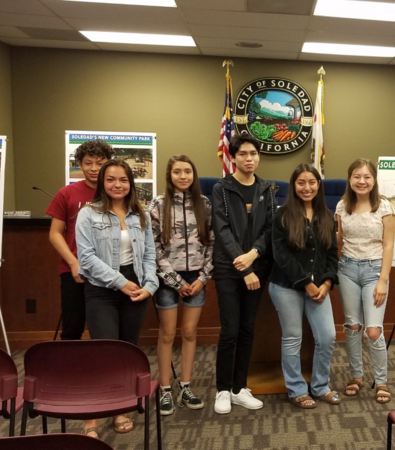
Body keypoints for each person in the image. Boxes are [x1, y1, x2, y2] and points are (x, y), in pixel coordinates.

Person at [75, 159, 158, 437]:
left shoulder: (140, 214)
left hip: (136, 288)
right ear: (102, 183)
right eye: (111, 179)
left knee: (126, 352)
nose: (117, 185)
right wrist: (121, 282)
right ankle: (93, 417)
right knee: (104, 352)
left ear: (130, 183)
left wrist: (150, 286)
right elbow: (85, 258)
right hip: (102, 289)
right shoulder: (89, 213)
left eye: (123, 179)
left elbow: (149, 256)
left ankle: (119, 409)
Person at [212, 134, 275, 415]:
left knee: (248, 329)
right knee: (230, 330)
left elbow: (270, 229)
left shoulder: (266, 189)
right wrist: (245, 264)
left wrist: (254, 255)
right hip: (228, 269)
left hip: (256, 267)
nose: (249, 158)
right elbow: (222, 230)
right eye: (244, 154)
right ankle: (223, 389)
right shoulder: (222, 189)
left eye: (254, 154)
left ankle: (239, 388)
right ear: (233, 157)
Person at [270, 164, 339, 409]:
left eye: (311, 182)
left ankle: (320, 387)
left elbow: (332, 253)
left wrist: (327, 282)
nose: (306, 187)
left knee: (328, 336)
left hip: (320, 288)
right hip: (286, 286)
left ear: (318, 185)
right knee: (292, 338)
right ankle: (296, 389)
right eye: (301, 183)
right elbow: (281, 256)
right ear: (293, 185)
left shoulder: (326, 215)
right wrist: (306, 283)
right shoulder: (282, 215)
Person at [149, 155, 213, 416]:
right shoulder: (158, 204)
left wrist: (202, 278)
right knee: (167, 333)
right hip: (167, 279)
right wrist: (174, 281)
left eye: (188, 171)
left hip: (196, 277)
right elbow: (152, 247)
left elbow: (212, 244)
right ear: (170, 175)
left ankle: (185, 386)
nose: (183, 176)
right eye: (178, 172)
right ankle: (164, 388)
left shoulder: (205, 204)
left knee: (189, 332)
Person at [335, 159, 395, 403]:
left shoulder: (384, 206)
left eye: (367, 177)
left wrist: (383, 280)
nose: (362, 181)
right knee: (352, 328)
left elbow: (389, 244)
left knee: (373, 330)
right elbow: (339, 240)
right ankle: (356, 376)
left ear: (374, 180)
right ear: (350, 179)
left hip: (374, 271)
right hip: (347, 269)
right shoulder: (342, 206)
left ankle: (381, 381)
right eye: (357, 176)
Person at [46, 139, 114, 341]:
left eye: (100, 164)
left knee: (105, 329)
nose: (94, 169)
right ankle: (70, 371)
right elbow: (55, 233)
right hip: (73, 270)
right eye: (88, 163)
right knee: (72, 328)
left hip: (109, 269)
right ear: (80, 164)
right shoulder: (67, 193)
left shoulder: (116, 190)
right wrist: (74, 263)